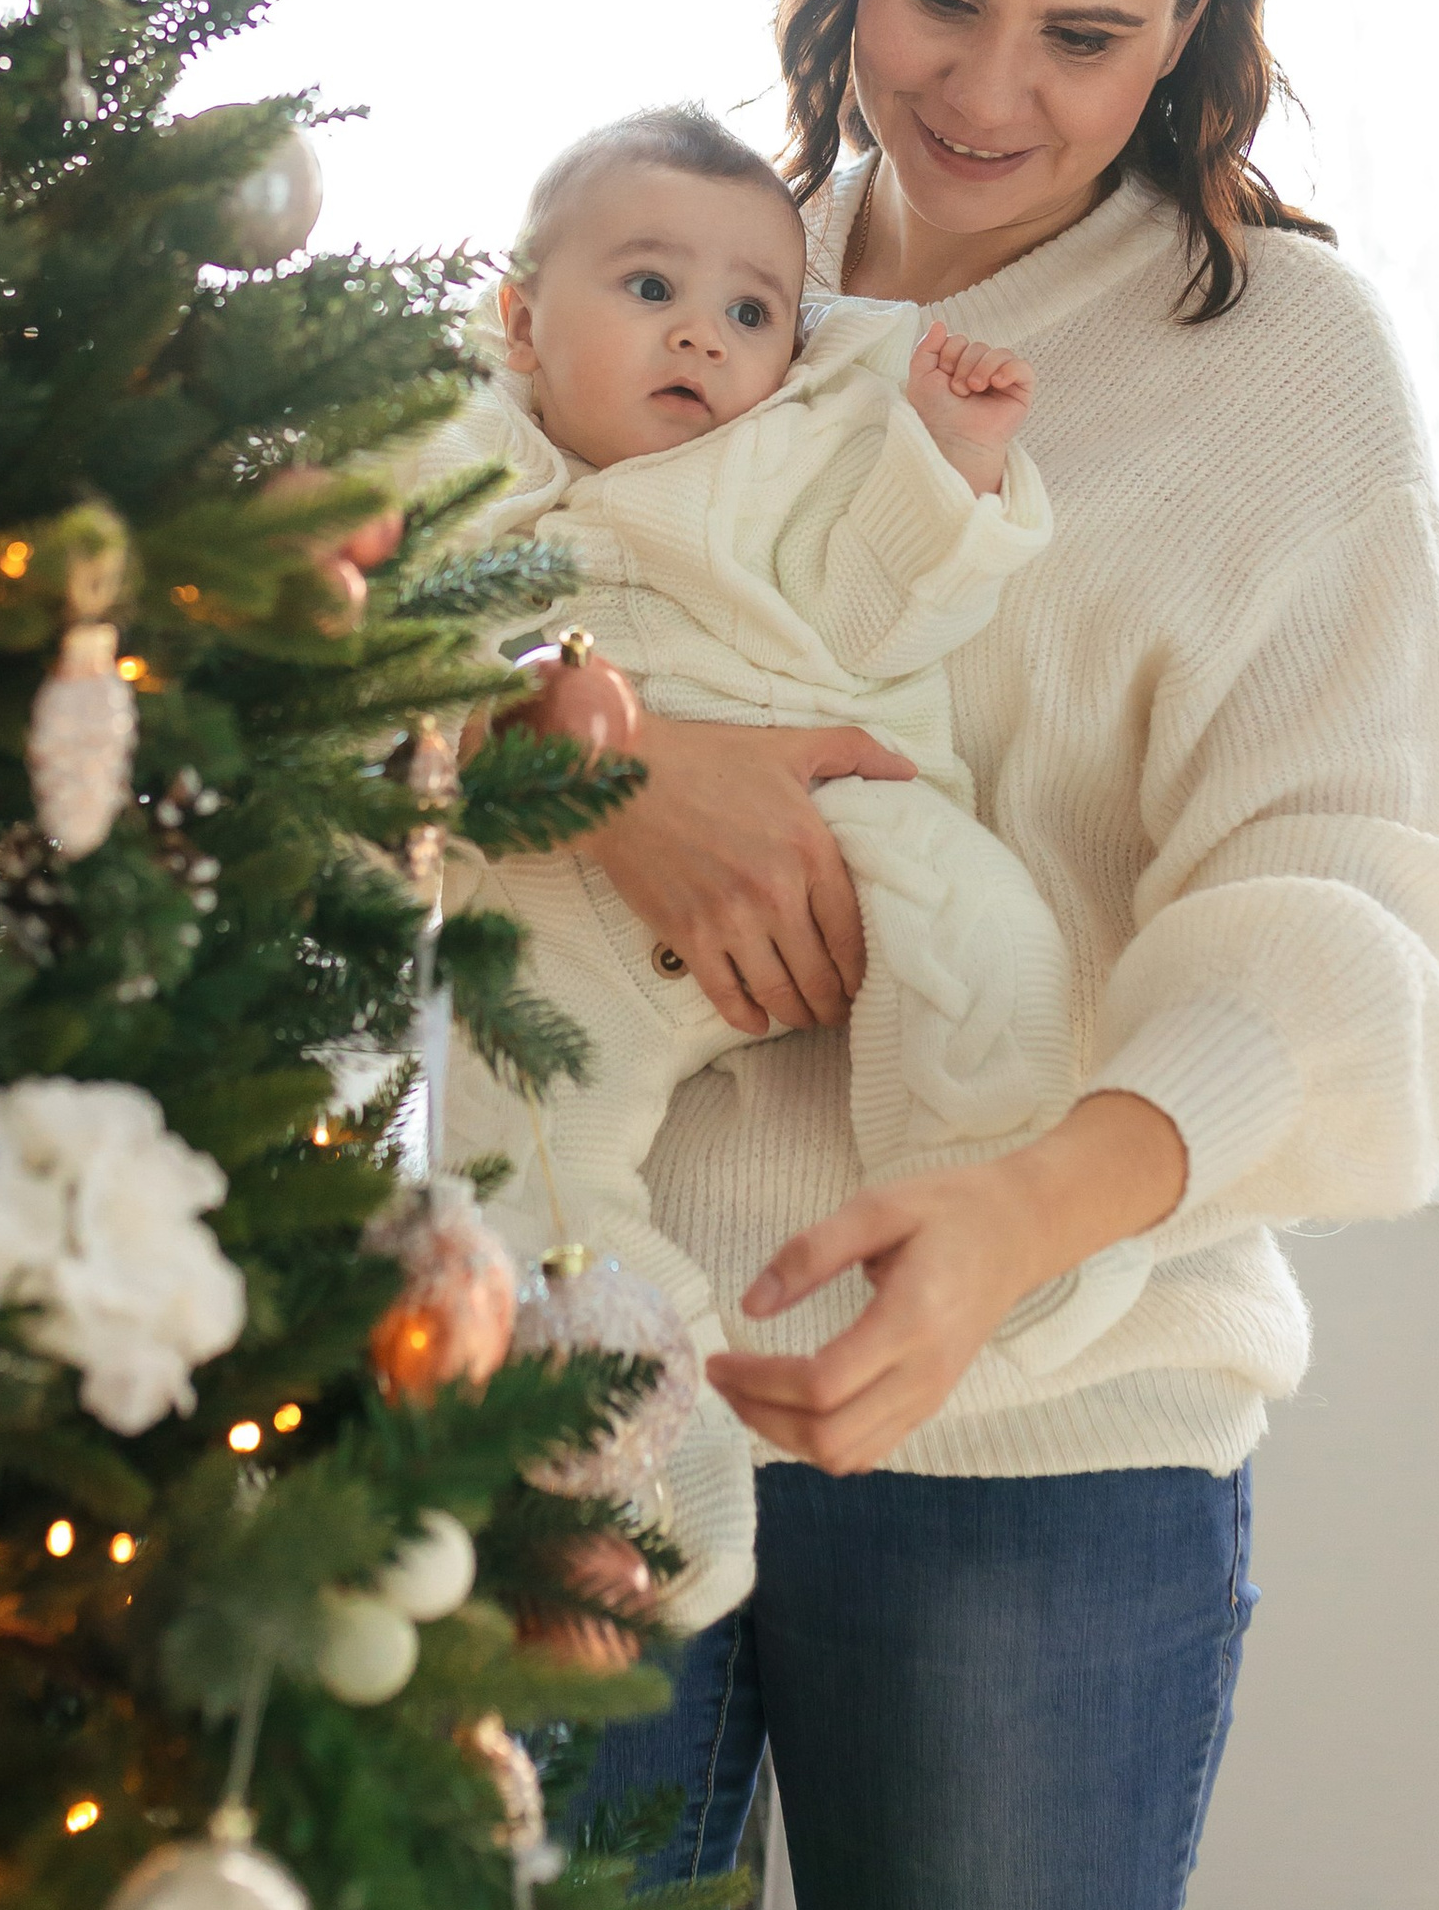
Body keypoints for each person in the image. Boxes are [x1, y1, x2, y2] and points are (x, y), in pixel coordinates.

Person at [563, 0, 1439, 1907]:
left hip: (1042, 1444)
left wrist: (1009, 1218)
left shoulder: (1281, 364)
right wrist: (605, 760)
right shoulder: (694, 266)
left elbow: (1365, 897)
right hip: (581, 1374)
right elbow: (402, 593)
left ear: (1189, 16)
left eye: (1081, 37)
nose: (983, 90)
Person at [417, 103, 1155, 1627]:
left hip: (832, 819)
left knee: (982, 935)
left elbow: (884, 615)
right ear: (520, 320)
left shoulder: (791, 455)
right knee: (519, 1169)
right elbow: (374, 631)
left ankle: (988, 1201)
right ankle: (634, 1477)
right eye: (648, 290)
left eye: (751, 311)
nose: (703, 336)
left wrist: (947, 463)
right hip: (557, 899)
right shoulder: (469, 452)